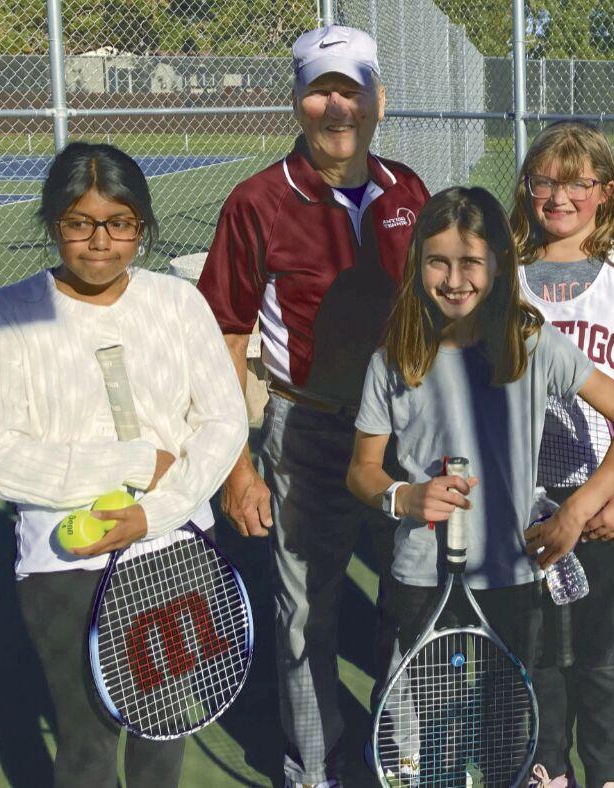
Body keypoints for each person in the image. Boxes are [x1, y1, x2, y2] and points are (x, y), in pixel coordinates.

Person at [345, 186, 614, 784]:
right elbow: (362, 469)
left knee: (504, 733)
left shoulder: (532, 344)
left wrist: (575, 513)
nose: (454, 279)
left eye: (471, 262)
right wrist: (404, 497)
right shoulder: (393, 359)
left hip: (511, 577)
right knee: (430, 737)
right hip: (422, 577)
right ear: (417, 265)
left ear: (498, 264)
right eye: (438, 262)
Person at [0, 142, 248, 787]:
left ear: (141, 226)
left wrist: (155, 514)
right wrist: (136, 460)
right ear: (52, 222)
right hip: (65, 566)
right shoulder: (0, 317)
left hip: (176, 552)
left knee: (162, 723)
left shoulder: (178, 303)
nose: (100, 241)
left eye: (120, 223)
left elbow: (223, 421)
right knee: (87, 741)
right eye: (79, 222)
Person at [195, 24, 431, 788]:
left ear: (378, 101)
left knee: (413, 596)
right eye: (320, 90)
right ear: (297, 101)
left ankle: (398, 752)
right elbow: (225, 336)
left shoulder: (410, 191)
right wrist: (236, 466)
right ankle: (313, 768)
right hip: (307, 430)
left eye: (351, 89)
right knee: (305, 613)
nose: (337, 107)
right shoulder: (257, 201)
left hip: (404, 431)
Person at [507, 121, 614, 788]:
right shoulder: (507, 273)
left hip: (612, 493)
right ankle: (548, 764)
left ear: (606, 191)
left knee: (603, 647)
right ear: (526, 187)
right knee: (537, 644)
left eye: (578, 183)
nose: (559, 197)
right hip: (530, 495)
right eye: (544, 181)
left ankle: (605, 768)